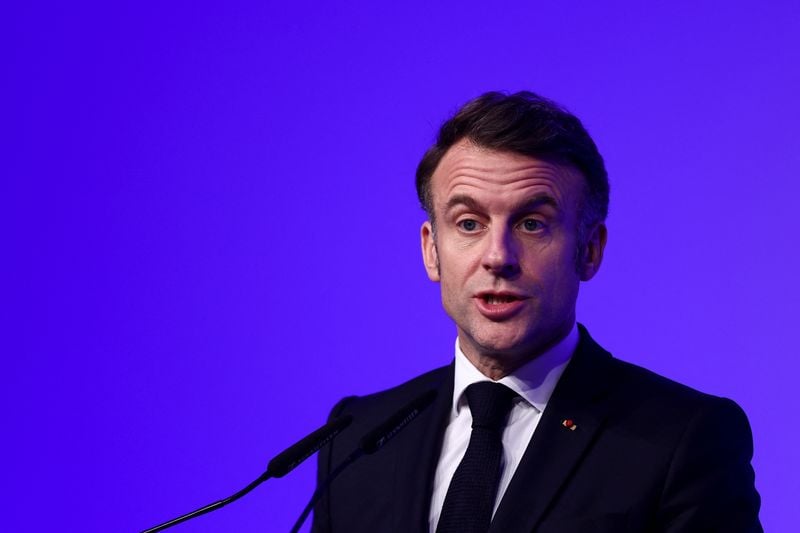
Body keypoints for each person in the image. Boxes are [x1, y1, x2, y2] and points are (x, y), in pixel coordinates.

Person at [311, 91, 762, 532]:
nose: (497, 257)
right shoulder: (357, 438)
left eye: (532, 224)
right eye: (469, 223)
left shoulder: (683, 439)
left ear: (589, 250)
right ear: (432, 250)